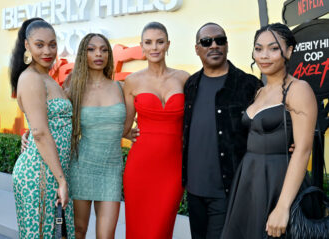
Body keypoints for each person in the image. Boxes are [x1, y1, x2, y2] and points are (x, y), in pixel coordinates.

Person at [220, 23, 317, 239]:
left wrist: (282, 207)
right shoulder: (259, 91)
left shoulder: (298, 89)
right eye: (258, 48)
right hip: (249, 182)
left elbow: (303, 149)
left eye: (273, 48)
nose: (264, 55)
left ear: (289, 51)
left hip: (279, 182)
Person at [182, 22, 262, 238]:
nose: (214, 45)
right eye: (207, 42)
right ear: (197, 49)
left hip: (229, 190)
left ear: (227, 45)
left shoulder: (248, 85)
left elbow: (267, 126)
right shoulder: (190, 85)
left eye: (220, 40)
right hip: (194, 191)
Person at [123, 22, 190, 238]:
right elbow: (123, 125)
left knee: (162, 228)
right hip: (140, 167)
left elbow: (195, 122)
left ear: (167, 45)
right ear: (141, 47)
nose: (154, 47)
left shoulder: (184, 78)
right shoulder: (132, 81)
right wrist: (127, 132)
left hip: (173, 168)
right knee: (138, 228)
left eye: (160, 42)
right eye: (148, 42)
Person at [10, 18, 75, 238]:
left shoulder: (46, 77)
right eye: (39, 45)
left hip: (52, 171)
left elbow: (44, 123)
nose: (47, 51)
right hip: (38, 174)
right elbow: (40, 132)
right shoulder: (30, 78)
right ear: (27, 46)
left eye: (52, 44)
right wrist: (61, 180)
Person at [67, 33, 127, 239]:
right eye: (91, 49)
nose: (98, 54)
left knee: (106, 235)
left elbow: (128, 126)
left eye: (103, 49)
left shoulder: (121, 87)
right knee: (78, 231)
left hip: (111, 170)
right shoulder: (73, 87)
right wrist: (29, 133)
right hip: (80, 167)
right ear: (83, 54)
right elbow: (51, 115)